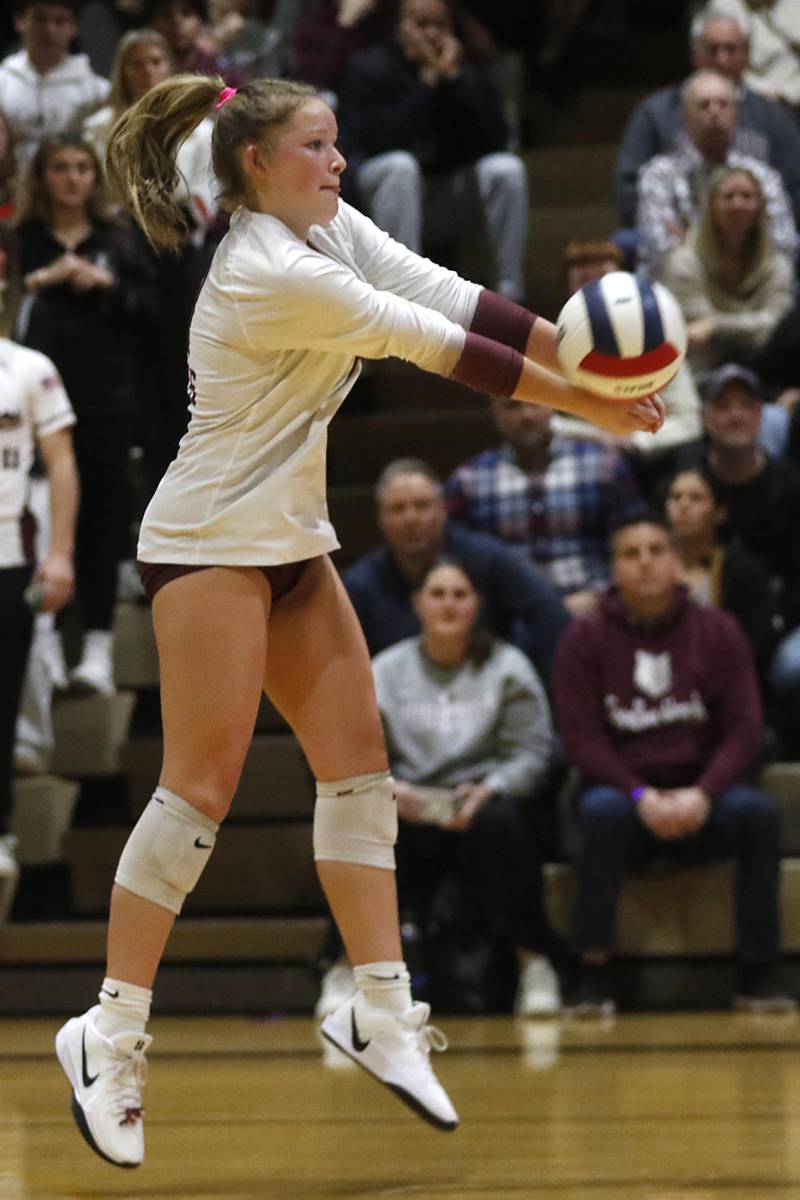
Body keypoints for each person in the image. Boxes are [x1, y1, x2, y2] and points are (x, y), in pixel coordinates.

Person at [51, 70, 664, 1170]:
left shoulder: (326, 228)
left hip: (286, 537)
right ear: (257, 165)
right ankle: (109, 1031)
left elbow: (455, 294)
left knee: (358, 771)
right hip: (204, 544)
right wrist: (594, 403)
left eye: (337, 146)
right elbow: (434, 348)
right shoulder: (268, 269)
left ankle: (377, 1009)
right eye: (319, 148)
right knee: (198, 793)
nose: (339, 163)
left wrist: (580, 362)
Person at [552, 512, 793, 1016]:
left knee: (759, 814)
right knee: (596, 813)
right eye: (630, 554)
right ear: (612, 567)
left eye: (656, 551)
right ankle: (592, 974)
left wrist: (703, 792)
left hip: (705, 793)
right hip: (624, 795)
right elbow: (580, 739)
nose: (645, 564)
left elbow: (746, 728)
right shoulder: (584, 638)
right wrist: (641, 795)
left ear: (677, 562)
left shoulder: (718, 629)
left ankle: (759, 973)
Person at [373, 557, 562, 1016]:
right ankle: (348, 971)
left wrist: (490, 788)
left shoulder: (507, 666)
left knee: (507, 824)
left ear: (476, 605)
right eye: (437, 594)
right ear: (418, 604)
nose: (449, 604)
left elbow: (533, 752)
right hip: (409, 806)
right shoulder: (385, 670)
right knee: (360, 827)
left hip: (481, 804)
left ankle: (534, 964)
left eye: (460, 595)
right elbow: (358, 753)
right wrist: (390, 791)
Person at [15, 133, 158, 695]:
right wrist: (38, 282)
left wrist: (110, 286)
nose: (72, 178)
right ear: (42, 177)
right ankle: (42, 641)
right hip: (28, 402)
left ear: (94, 180)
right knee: (29, 518)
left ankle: (96, 647)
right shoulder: (23, 241)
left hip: (103, 400)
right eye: (60, 168)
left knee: (99, 520)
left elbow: (155, 315)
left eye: (81, 168)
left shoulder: (117, 240)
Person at [337, 0, 528, 301]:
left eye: (440, 25)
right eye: (421, 25)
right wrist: (426, 84)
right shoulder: (369, 67)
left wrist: (454, 81)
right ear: (400, 26)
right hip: (379, 204)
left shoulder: (463, 69)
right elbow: (377, 142)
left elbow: (496, 139)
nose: (432, 34)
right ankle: (403, 296)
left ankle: (510, 292)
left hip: (442, 199)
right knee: (400, 166)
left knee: (506, 169)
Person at [0, 221, 78, 917]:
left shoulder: (29, 369)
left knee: (2, 705)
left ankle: (0, 837)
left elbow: (61, 465)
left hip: (9, 559)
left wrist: (58, 556)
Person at [343, 458, 572, 691]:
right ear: (380, 518)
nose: (410, 518)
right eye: (397, 508)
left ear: (443, 510)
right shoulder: (359, 586)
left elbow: (551, 616)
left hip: (488, 701)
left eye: (421, 505)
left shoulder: (486, 558)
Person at [445, 395, 644, 616]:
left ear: (554, 405)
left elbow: (636, 540)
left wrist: (601, 594)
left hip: (599, 608)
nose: (526, 415)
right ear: (495, 412)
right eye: (512, 406)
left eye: (535, 402)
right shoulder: (469, 480)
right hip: (509, 617)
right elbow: (456, 559)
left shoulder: (603, 464)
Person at [615, 7, 800, 228]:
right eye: (712, 49)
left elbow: (795, 188)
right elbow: (629, 191)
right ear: (695, 55)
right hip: (679, 240)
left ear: (747, 55)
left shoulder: (774, 117)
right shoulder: (656, 112)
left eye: (731, 49)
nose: (722, 58)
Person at [635, 69, 796, 274]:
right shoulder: (658, 175)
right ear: (685, 116)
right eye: (704, 105)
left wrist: (688, 240)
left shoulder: (762, 176)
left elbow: (783, 246)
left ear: (735, 113)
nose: (714, 112)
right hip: (680, 291)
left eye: (723, 104)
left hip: (749, 288)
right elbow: (662, 253)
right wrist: (738, 251)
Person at [660, 165, 795, 379]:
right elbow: (697, 333)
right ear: (711, 206)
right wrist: (750, 325)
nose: (738, 203)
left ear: (760, 207)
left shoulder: (778, 265)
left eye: (747, 196)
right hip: (703, 372)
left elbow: (777, 326)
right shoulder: (684, 263)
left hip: (766, 370)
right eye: (728, 196)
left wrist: (715, 326)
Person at [661, 463, 778, 683]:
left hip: (723, 682)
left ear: (719, 513)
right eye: (675, 497)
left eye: (695, 498)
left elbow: (757, 643)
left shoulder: (742, 570)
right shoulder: (650, 563)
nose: (683, 505)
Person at [0, 0, 110, 172]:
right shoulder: (3, 80)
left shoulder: (97, 90)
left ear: (74, 27)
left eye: (60, 21)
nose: (49, 30)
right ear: (19, 21)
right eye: (40, 19)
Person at [704, 0, 800, 108]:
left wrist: (787, 93)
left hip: (791, 101)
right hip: (740, 96)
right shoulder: (723, 5)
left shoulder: (795, 6)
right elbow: (714, 58)